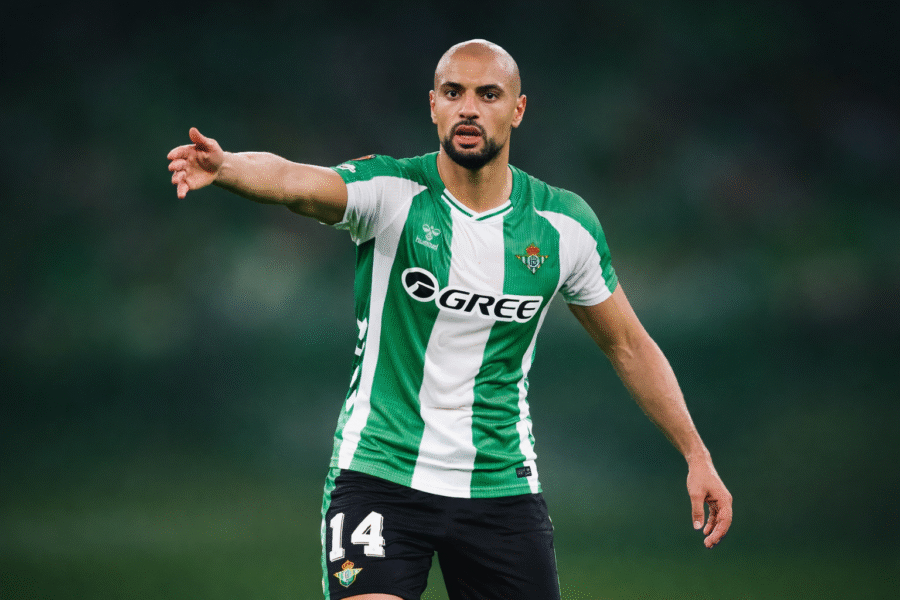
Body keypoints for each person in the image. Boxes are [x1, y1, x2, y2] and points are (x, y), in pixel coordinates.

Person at [167, 39, 732, 600]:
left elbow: (628, 345)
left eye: (488, 94)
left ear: (518, 109)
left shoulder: (565, 227)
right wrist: (229, 166)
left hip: (500, 486)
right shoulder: (391, 192)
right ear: (433, 105)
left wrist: (696, 455)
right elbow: (297, 181)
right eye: (453, 92)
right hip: (380, 476)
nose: (469, 108)